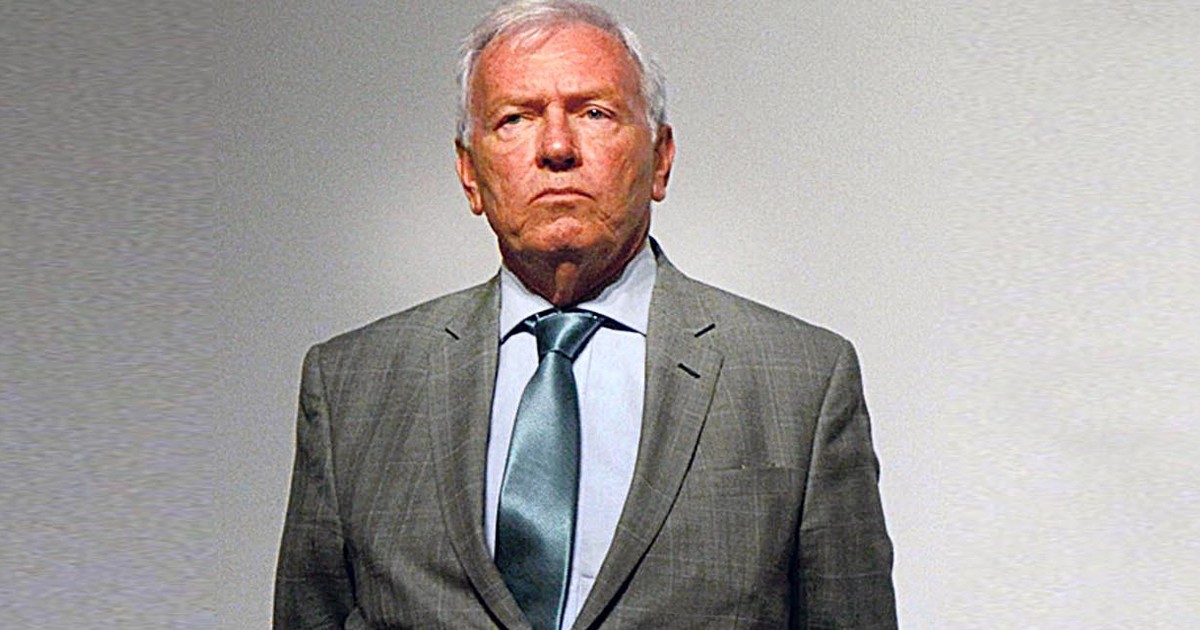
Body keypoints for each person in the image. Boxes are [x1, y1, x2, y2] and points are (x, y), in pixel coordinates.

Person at [273, 1, 896, 628]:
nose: (557, 147)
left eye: (594, 113)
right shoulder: (352, 386)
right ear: (469, 174)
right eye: (515, 118)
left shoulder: (803, 382)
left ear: (660, 159)